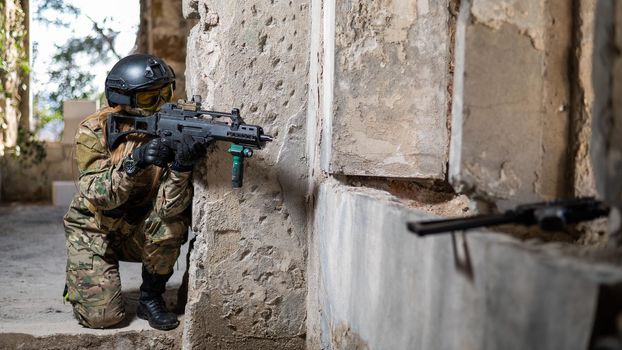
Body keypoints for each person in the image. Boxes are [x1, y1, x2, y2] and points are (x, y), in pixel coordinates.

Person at [63, 53, 203, 330]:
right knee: (104, 318)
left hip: (138, 227)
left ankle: (150, 297)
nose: (161, 105)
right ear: (123, 100)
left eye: (166, 93)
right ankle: (80, 276)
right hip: (94, 229)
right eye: (150, 100)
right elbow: (98, 195)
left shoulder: (172, 128)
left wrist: (181, 167)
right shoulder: (95, 130)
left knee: (170, 224)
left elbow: (168, 209)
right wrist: (135, 161)